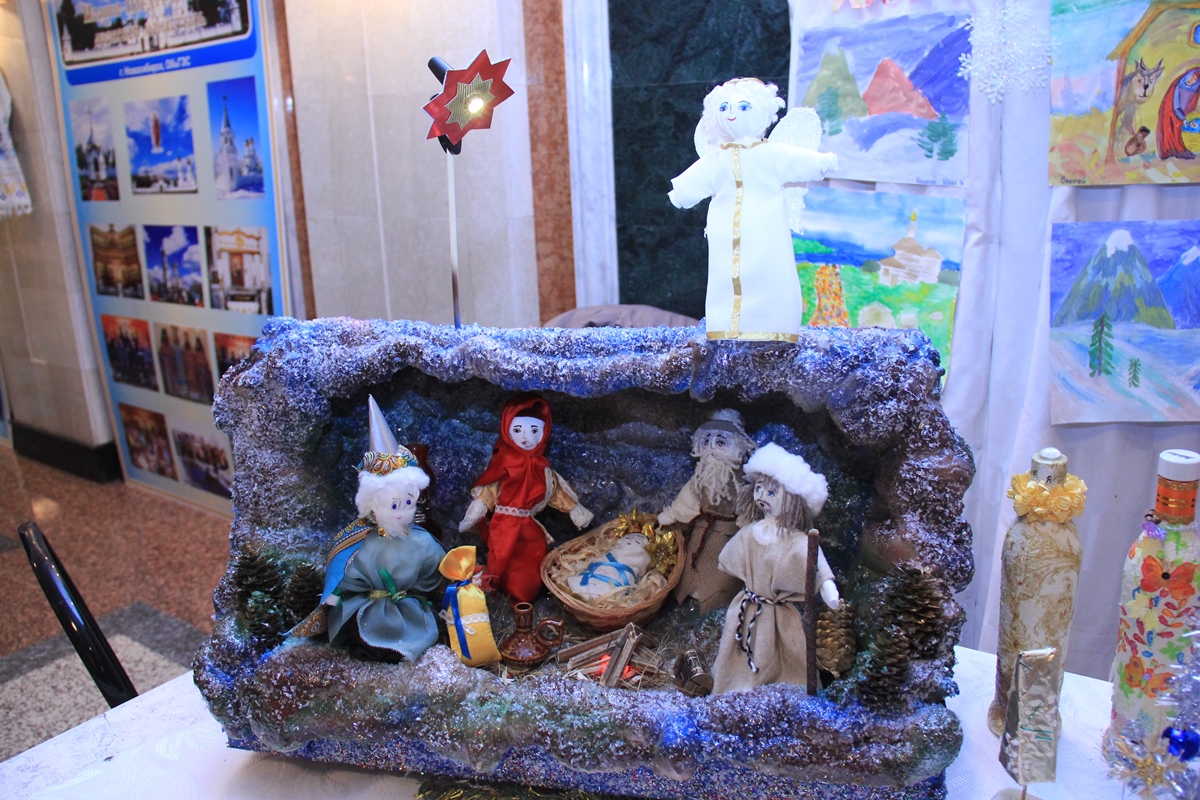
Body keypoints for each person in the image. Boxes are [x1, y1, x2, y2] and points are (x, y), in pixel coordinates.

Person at [668, 78, 836, 341]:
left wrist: (823, 163)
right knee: (725, 280)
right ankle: (726, 327)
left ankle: (774, 328)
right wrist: (680, 192)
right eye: (723, 108)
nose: (731, 114)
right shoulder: (718, 158)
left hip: (765, 232)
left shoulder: (770, 153)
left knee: (768, 276)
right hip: (725, 235)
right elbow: (690, 185)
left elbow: (799, 161)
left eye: (743, 107)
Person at [292, 396, 445, 662]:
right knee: (367, 634)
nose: (402, 511)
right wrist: (332, 600)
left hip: (408, 608)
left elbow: (438, 566)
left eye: (408, 502)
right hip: (371, 611)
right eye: (393, 505)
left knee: (421, 632)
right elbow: (347, 574)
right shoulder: (364, 542)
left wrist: (458, 575)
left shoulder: (422, 540)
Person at [711, 443, 840, 694]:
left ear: (793, 500)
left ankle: (786, 689)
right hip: (747, 607)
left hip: (780, 617)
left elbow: (817, 566)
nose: (762, 496)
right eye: (759, 488)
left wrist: (828, 589)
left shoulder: (798, 541)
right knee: (736, 653)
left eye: (772, 492)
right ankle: (733, 686)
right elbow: (727, 558)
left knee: (786, 656)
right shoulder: (751, 532)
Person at [459, 393, 593, 603]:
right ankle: (495, 587)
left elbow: (556, 490)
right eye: (518, 430)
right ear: (507, 430)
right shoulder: (503, 462)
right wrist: (476, 511)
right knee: (501, 556)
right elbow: (490, 489)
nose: (525, 437)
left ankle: (524, 596)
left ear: (544, 432)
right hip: (503, 522)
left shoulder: (542, 467)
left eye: (534, 431)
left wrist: (575, 509)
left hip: (527, 523)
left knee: (534, 554)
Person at [657, 409, 756, 612]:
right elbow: (690, 496)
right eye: (707, 440)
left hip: (727, 536)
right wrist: (673, 513)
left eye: (720, 442)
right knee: (690, 566)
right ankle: (688, 596)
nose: (712, 447)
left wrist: (748, 529)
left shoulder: (739, 483)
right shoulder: (700, 477)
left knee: (720, 574)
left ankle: (714, 603)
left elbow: (746, 507)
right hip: (701, 528)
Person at [566, 531, 652, 601]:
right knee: (586, 580)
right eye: (627, 538)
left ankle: (597, 595)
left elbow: (638, 570)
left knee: (609, 589)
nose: (630, 541)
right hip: (598, 571)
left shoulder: (638, 558)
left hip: (616, 579)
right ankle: (583, 590)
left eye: (637, 542)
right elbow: (602, 560)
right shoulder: (614, 552)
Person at [1158, 67, 1200, 160]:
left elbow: (1191, 107)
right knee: (1170, 132)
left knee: (1179, 133)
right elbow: (1176, 105)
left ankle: (1179, 150)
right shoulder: (1178, 87)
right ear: (1188, 75)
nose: (1192, 80)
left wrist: (1187, 117)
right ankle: (1170, 150)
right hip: (1173, 113)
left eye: (1195, 79)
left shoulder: (1194, 92)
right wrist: (1182, 117)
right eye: (1192, 76)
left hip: (1183, 116)